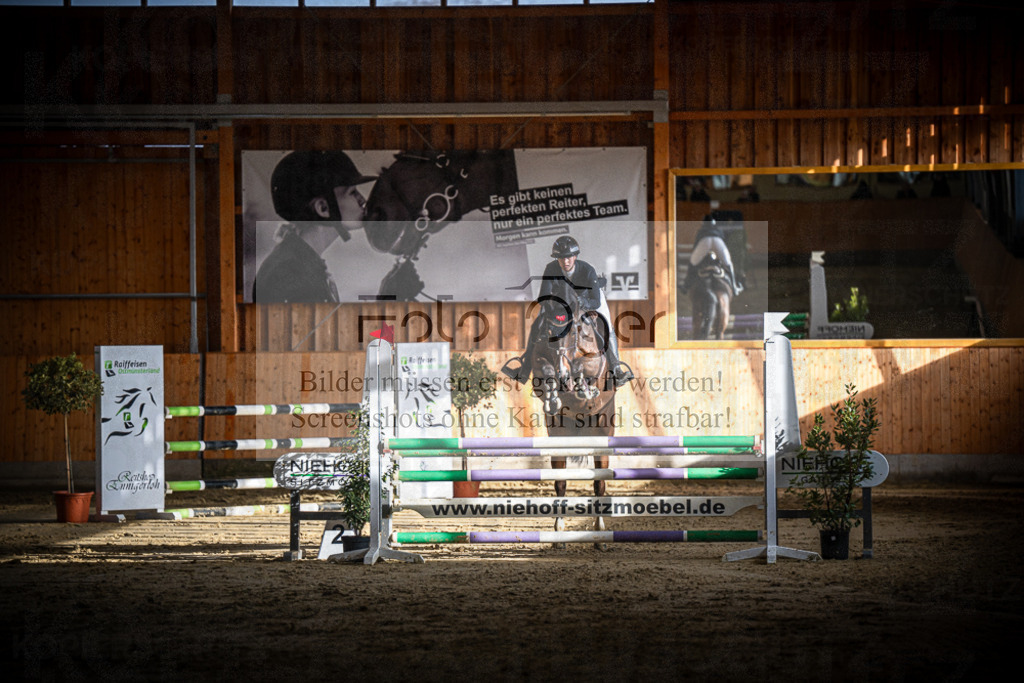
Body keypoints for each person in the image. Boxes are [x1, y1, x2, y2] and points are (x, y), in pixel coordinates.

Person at [502, 235, 634, 388]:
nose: (565, 262)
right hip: (561, 303)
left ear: (575, 256)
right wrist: (552, 313)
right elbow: (544, 297)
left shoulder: (587, 270)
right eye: (561, 258)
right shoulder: (551, 268)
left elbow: (595, 301)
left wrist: (581, 303)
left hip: (588, 300)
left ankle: (617, 368)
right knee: (538, 323)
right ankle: (524, 369)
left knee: (606, 324)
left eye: (568, 257)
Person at [251, 151, 376, 303]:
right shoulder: (290, 273)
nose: (362, 200)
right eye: (352, 192)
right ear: (323, 208)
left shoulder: (298, 262)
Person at [680, 216, 743, 338]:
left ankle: (686, 284)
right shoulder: (718, 229)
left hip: (704, 242)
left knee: (692, 263)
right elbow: (725, 245)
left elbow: (695, 253)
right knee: (729, 264)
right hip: (718, 242)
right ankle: (734, 286)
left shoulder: (701, 230)